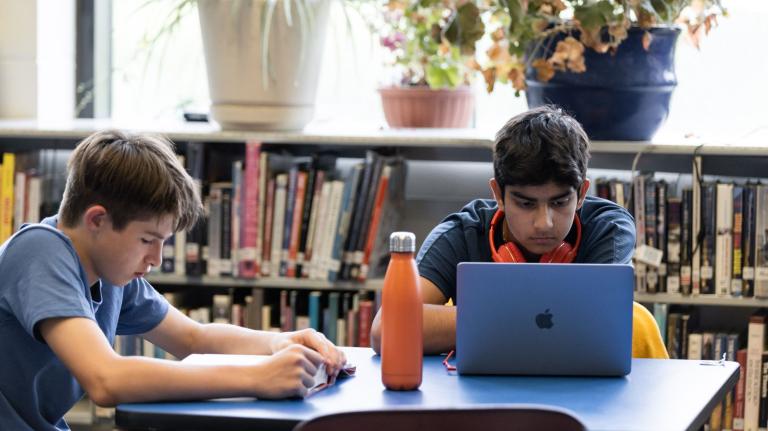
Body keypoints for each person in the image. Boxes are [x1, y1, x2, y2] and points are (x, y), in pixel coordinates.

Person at [0, 130, 346, 431]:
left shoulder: (108, 271)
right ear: (97, 220)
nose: (157, 259)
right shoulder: (39, 252)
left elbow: (192, 338)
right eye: (147, 240)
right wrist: (257, 378)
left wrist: (279, 343)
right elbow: (106, 379)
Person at [371, 106, 668, 359]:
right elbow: (387, 330)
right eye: (526, 203)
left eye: (559, 202)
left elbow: (602, 323)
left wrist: (486, 319)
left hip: (583, 390)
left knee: (638, 319)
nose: (544, 223)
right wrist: (530, 316)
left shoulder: (609, 228)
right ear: (498, 194)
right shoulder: (462, 232)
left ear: (582, 194)